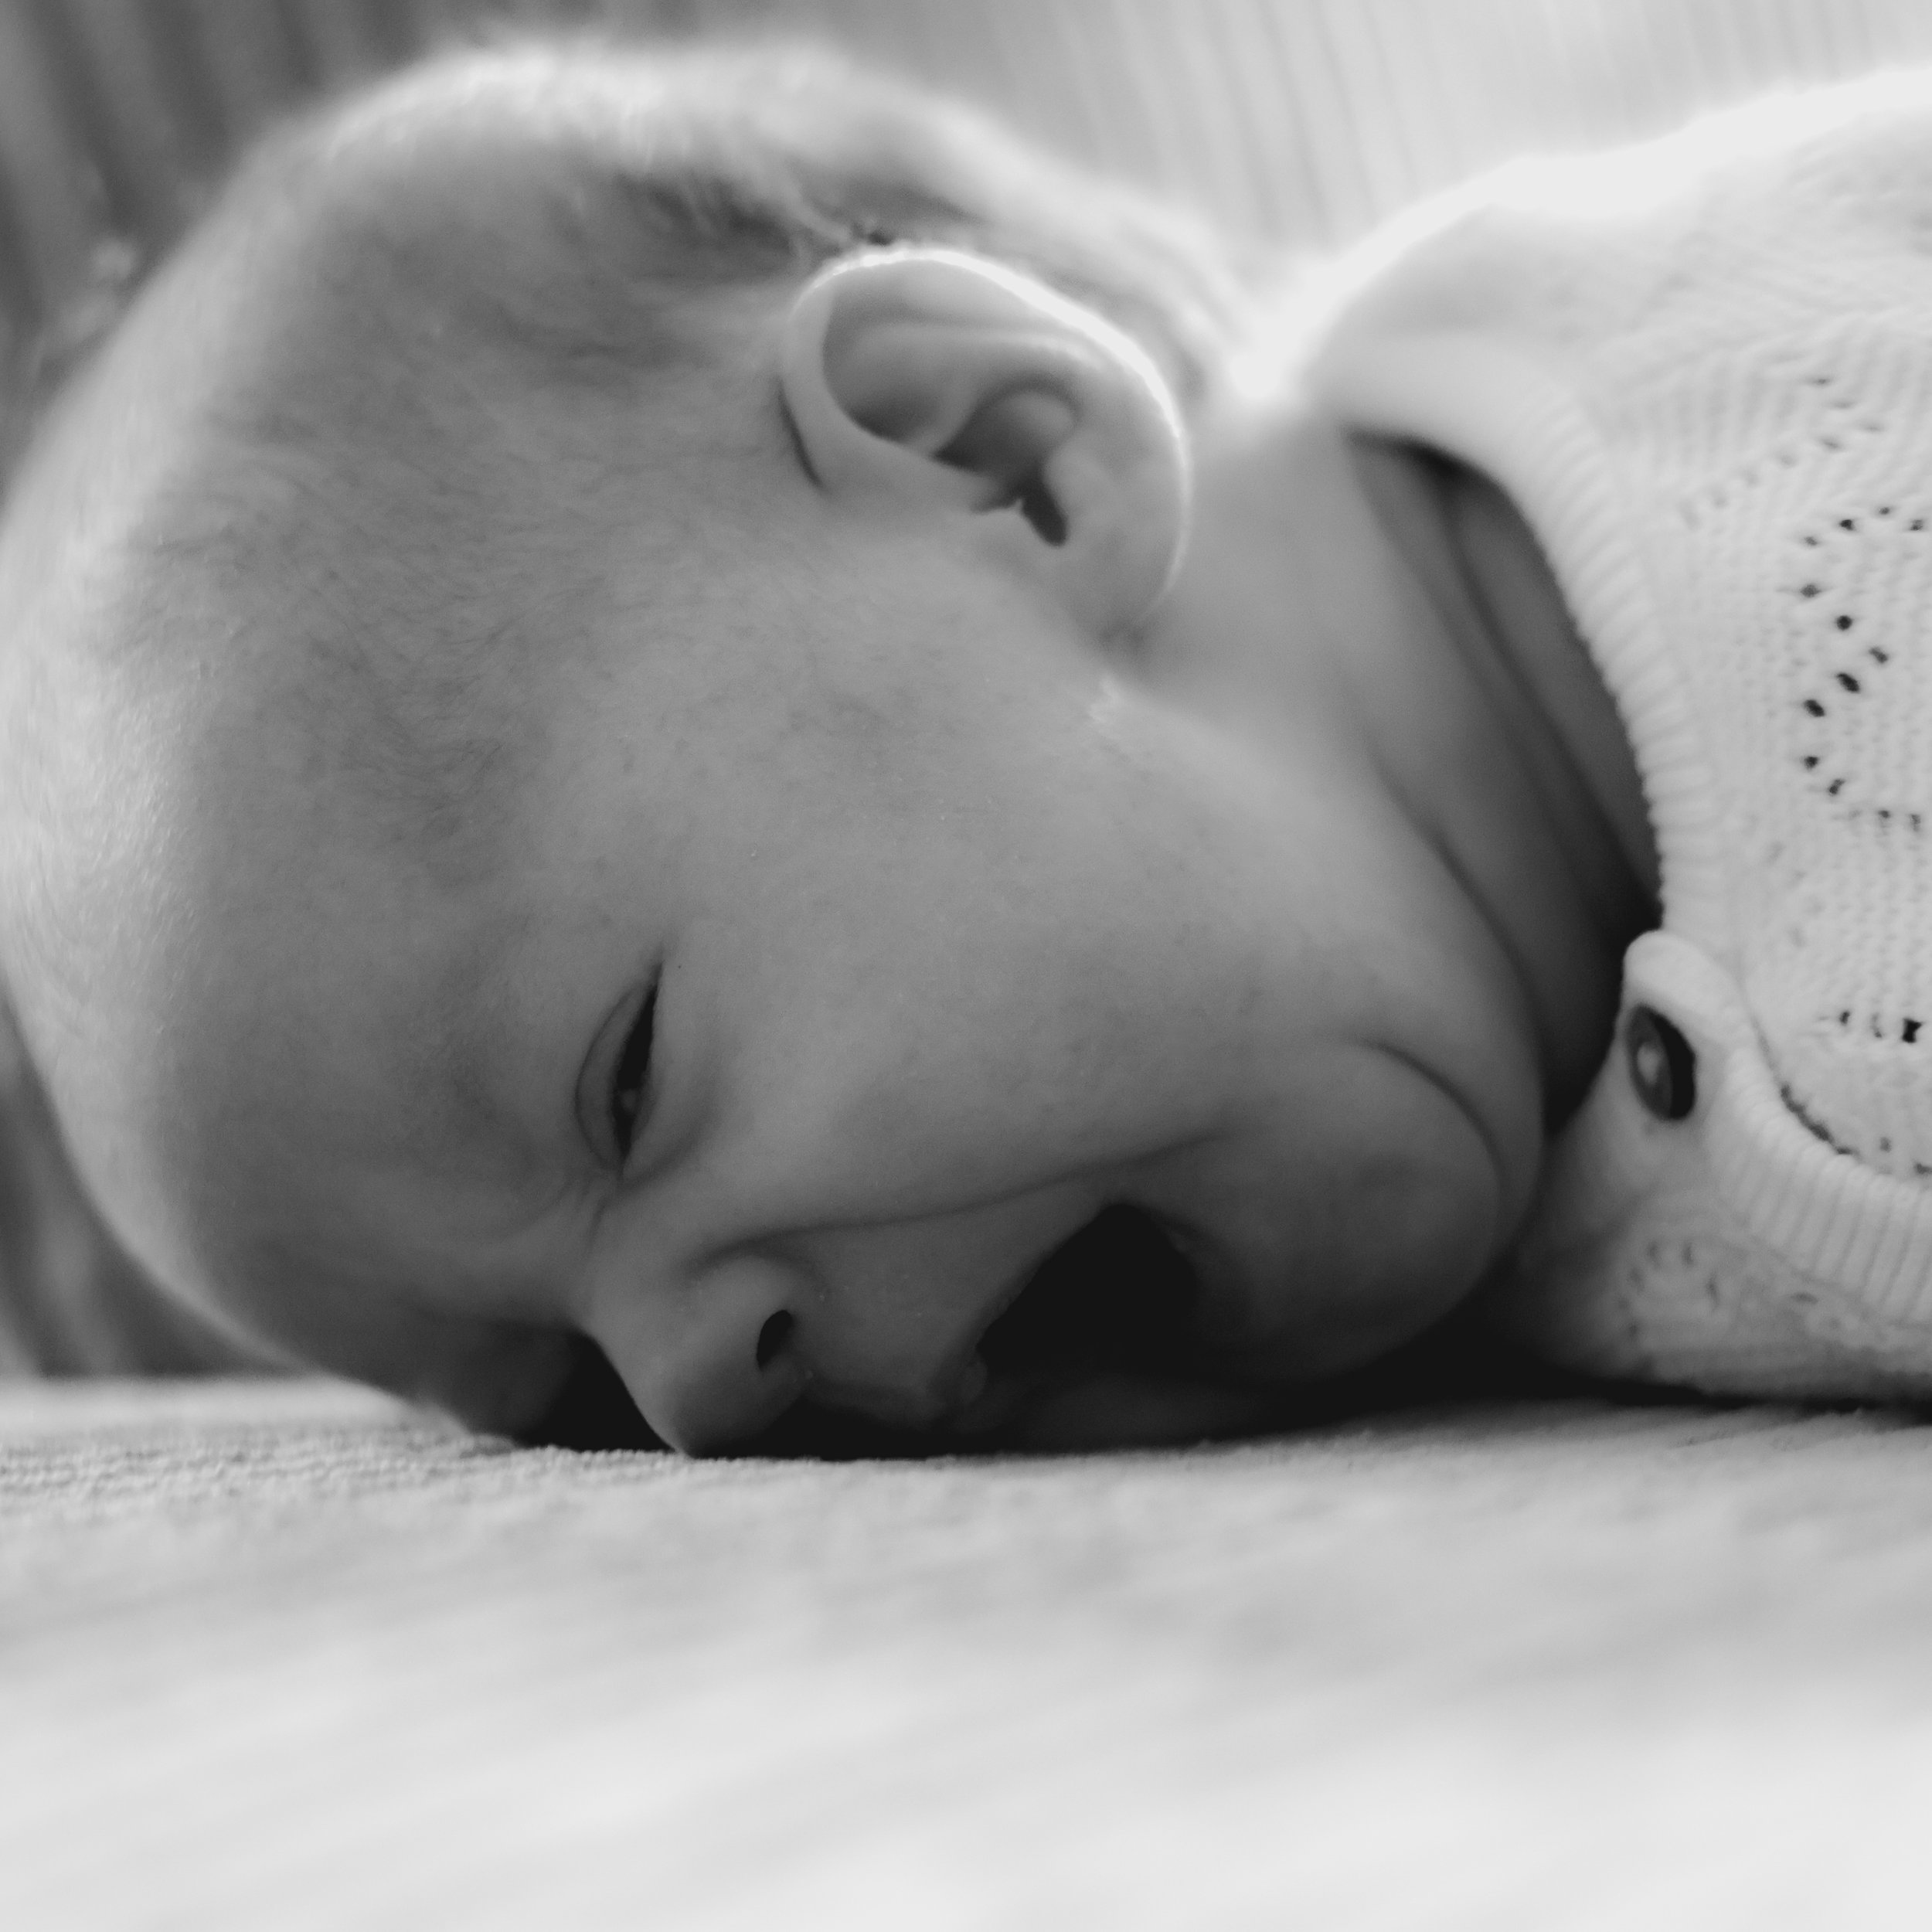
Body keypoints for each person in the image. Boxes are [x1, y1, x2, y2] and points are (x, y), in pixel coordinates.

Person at [0, 39, 1920, 1455]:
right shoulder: (1439, 1224)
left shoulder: (1815, 374)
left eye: (628, 1081)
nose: (693, 1384)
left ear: (1000, 463)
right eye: (565, 1390)